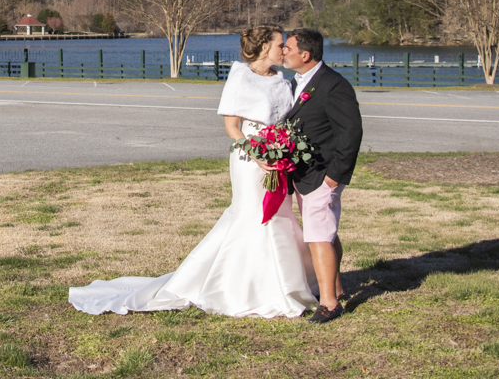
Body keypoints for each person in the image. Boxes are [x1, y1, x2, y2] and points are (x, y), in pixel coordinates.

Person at [68, 26, 319, 318]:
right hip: (249, 159)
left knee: (280, 215)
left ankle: (284, 283)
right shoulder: (241, 76)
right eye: (280, 45)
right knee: (253, 215)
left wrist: (282, 150)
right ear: (265, 48)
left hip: (278, 158)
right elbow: (231, 127)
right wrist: (257, 153)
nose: (284, 50)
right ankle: (242, 289)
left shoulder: (281, 80)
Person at [280, 28, 363, 324]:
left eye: (287, 48)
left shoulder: (333, 85)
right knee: (324, 232)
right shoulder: (297, 82)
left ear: (306, 54)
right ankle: (337, 288)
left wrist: (334, 177)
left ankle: (328, 303)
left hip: (322, 175)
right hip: (304, 174)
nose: (283, 52)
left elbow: (351, 133)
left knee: (318, 236)